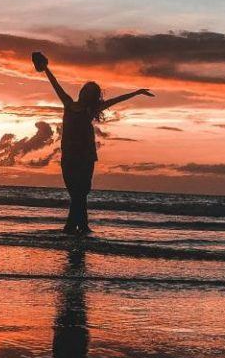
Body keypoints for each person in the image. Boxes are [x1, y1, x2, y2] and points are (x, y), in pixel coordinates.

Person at [33, 51, 152, 234]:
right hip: (69, 155)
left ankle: (74, 227)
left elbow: (115, 101)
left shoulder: (91, 109)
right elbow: (55, 84)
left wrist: (136, 93)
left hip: (86, 156)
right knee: (75, 192)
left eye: (89, 92)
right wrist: (46, 69)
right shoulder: (68, 103)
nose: (84, 92)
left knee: (82, 192)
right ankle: (80, 227)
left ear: (92, 96)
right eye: (84, 89)